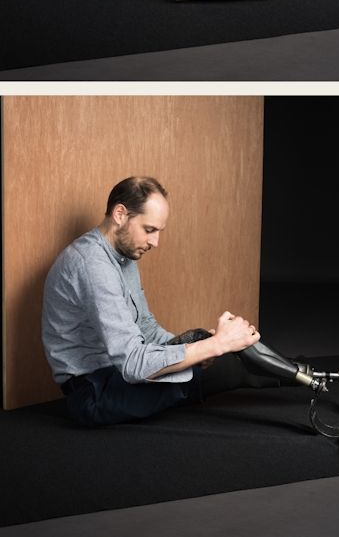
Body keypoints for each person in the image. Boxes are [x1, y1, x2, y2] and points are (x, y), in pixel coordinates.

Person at [41, 176, 286, 427]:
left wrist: (200, 346)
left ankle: (309, 376)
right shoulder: (92, 266)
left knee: (229, 356)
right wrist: (216, 344)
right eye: (149, 230)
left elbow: (145, 327)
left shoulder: (122, 255)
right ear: (120, 214)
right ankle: (306, 376)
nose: (155, 242)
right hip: (95, 392)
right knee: (218, 357)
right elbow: (134, 364)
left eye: (159, 231)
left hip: (119, 374)